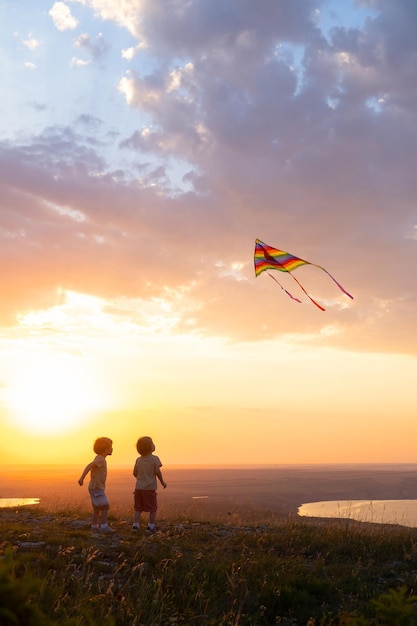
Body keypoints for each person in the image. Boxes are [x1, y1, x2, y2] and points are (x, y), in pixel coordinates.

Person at [78, 437, 115, 533]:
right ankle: (104, 526)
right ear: (105, 449)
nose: (112, 449)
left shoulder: (99, 458)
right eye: (111, 447)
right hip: (97, 487)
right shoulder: (100, 459)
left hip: (94, 487)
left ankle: (94, 526)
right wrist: (81, 478)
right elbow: (89, 466)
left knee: (97, 508)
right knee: (105, 506)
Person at [132, 436, 166, 533]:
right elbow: (157, 471)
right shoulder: (155, 459)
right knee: (152, 508)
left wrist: (140, 479)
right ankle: (150, 527)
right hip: (149, 487)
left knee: (138, 508)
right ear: (151, 447)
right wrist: (162, 482)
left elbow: (134, 473)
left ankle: (135, 525)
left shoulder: (138, 460)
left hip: (138, 488)